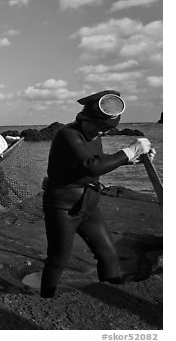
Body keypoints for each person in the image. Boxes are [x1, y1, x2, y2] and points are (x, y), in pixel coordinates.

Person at [40, 90, 154, 298]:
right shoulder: (68, 134)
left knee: (109, 254)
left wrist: (132, 159)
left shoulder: (94, 135)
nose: (102, 133)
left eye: (107, 130)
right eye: (99, 127)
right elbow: (91, 166)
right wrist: (128, 151)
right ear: (85, 118)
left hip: (89, 204)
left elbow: (99, 164)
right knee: (58, 259)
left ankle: (109, 296)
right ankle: (45, 300)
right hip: (63, 207)